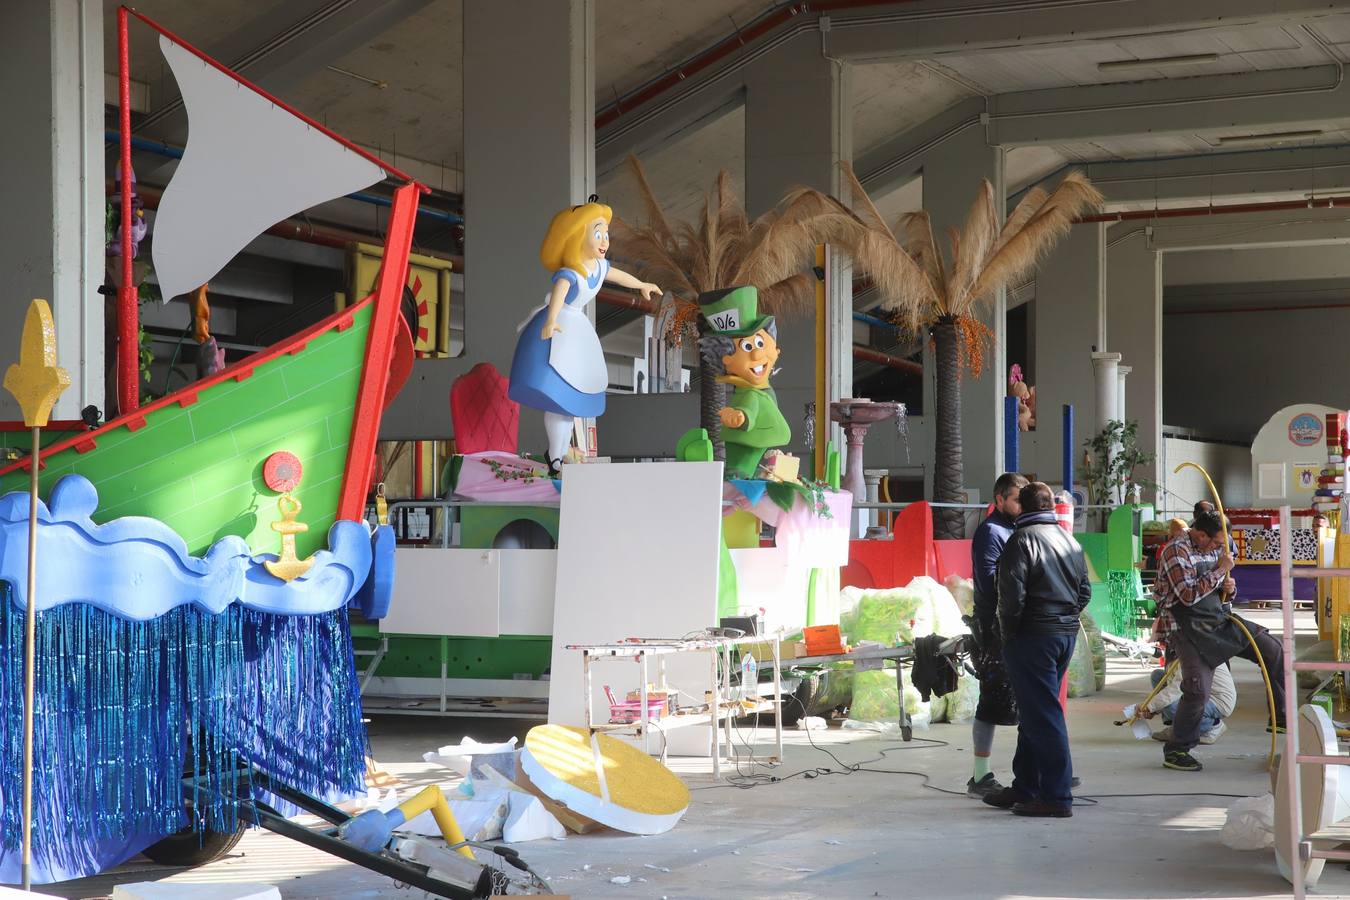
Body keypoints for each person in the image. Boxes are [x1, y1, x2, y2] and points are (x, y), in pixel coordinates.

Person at [508, 197, 661, 472]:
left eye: (606, 235)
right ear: (579, 236)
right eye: (598, 234)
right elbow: (558, 296)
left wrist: (642, 284)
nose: (604, 241)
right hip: (561, 329)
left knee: (568, 401)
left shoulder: (598, 267)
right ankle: (555, 454)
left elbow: (618, 275)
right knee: (557, 395)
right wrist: (551, 320)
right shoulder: (570, 273)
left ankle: (559, 454)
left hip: (577, 330)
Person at [984, 481, 1092, 818]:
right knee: (1036, 712)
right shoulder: (1069, 541)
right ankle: (1026, 786)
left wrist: (1007, 636)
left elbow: (1011, 600)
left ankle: (1056, 797)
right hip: (1063, 635)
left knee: (1043, 716)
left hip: (1033, 636)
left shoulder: (1021, 541)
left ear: (1023, 508)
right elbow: (1085, 592)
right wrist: (1065, 619)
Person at [1151, 510, 1286, 772]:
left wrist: (1229, 587)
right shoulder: (1175, 551)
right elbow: (1188, 595)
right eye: (1215, 543)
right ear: (1200, 534)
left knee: (1273, 649)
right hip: (1186, 626)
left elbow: (1223, 591)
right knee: (1197, 689)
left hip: (1218, 619)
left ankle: (1281, 718)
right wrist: (1220, 570)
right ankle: (1177, 749)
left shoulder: (1215, 546)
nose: (1219, 548)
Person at [964, 472, 1028, 799]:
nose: (1021, 505)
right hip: (993, 626)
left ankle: (1036, 766)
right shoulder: (991, 532)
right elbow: (989, 584)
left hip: (1011, 624)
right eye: (1016, 499)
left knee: (1024, 701)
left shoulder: (1016, 530)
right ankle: (980, 775)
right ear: (999, 499)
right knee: (990, 702)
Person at [1142, 661, 1237, 745]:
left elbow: (1177, 688)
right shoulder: (1181, 647)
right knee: (1158, 675)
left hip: (1217, 700)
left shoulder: (1192, 651)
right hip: (1202, 692)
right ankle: (1178, 726)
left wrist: (1150, 706)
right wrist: (1154, 709)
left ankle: (1213, 725)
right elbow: (1173, 679)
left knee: (1170, 708)